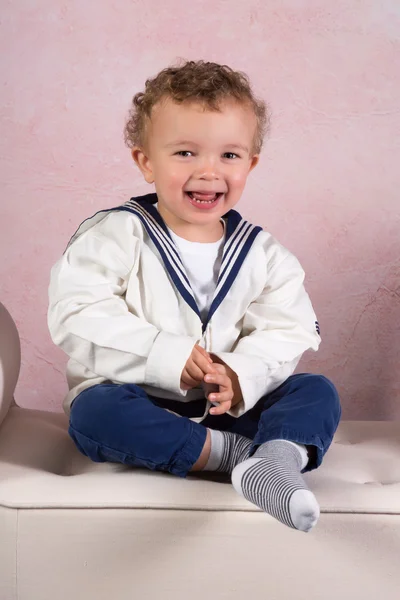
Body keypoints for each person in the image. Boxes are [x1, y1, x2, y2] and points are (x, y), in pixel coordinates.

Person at [48, 60, 341, 533]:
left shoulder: (265, 254)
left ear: (251, 164)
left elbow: (286, 329)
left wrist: (239, 373)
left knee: (316, 391)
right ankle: (249, 461)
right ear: (146, 161)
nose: (208, 171)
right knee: (94, 415)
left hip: (231, 409)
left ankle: (276, 456)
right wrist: (166, 354)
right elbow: (78, 313)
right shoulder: (116, 235)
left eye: (229, 155)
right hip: (138, 401)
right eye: (185, 153)